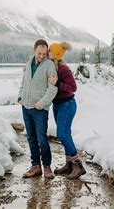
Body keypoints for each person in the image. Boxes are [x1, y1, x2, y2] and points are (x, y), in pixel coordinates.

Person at [18, 39, 58, 179]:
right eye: (39, 53)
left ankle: (47, 166)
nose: (42, 56)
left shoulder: (49, 65)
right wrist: (20, 97)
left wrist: (41, 103)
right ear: (34, 50)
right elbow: (24, 82)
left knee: (42, 138)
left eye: (44, 53)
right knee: (31, 138)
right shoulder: (29, 64)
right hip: (26, 107)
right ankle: (36, 166)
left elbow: (53, 89)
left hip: (40, 109)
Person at [47, 42, 86, 179]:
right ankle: (69, 164)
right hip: (57, 105)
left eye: (49, 51)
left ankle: (78, 165)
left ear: (56, 54)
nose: (47, 52)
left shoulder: (63, 69)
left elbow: (73, 87)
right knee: (66, 134)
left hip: (67, 104)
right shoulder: (51, 66)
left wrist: (56, 83)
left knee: (62, 135)